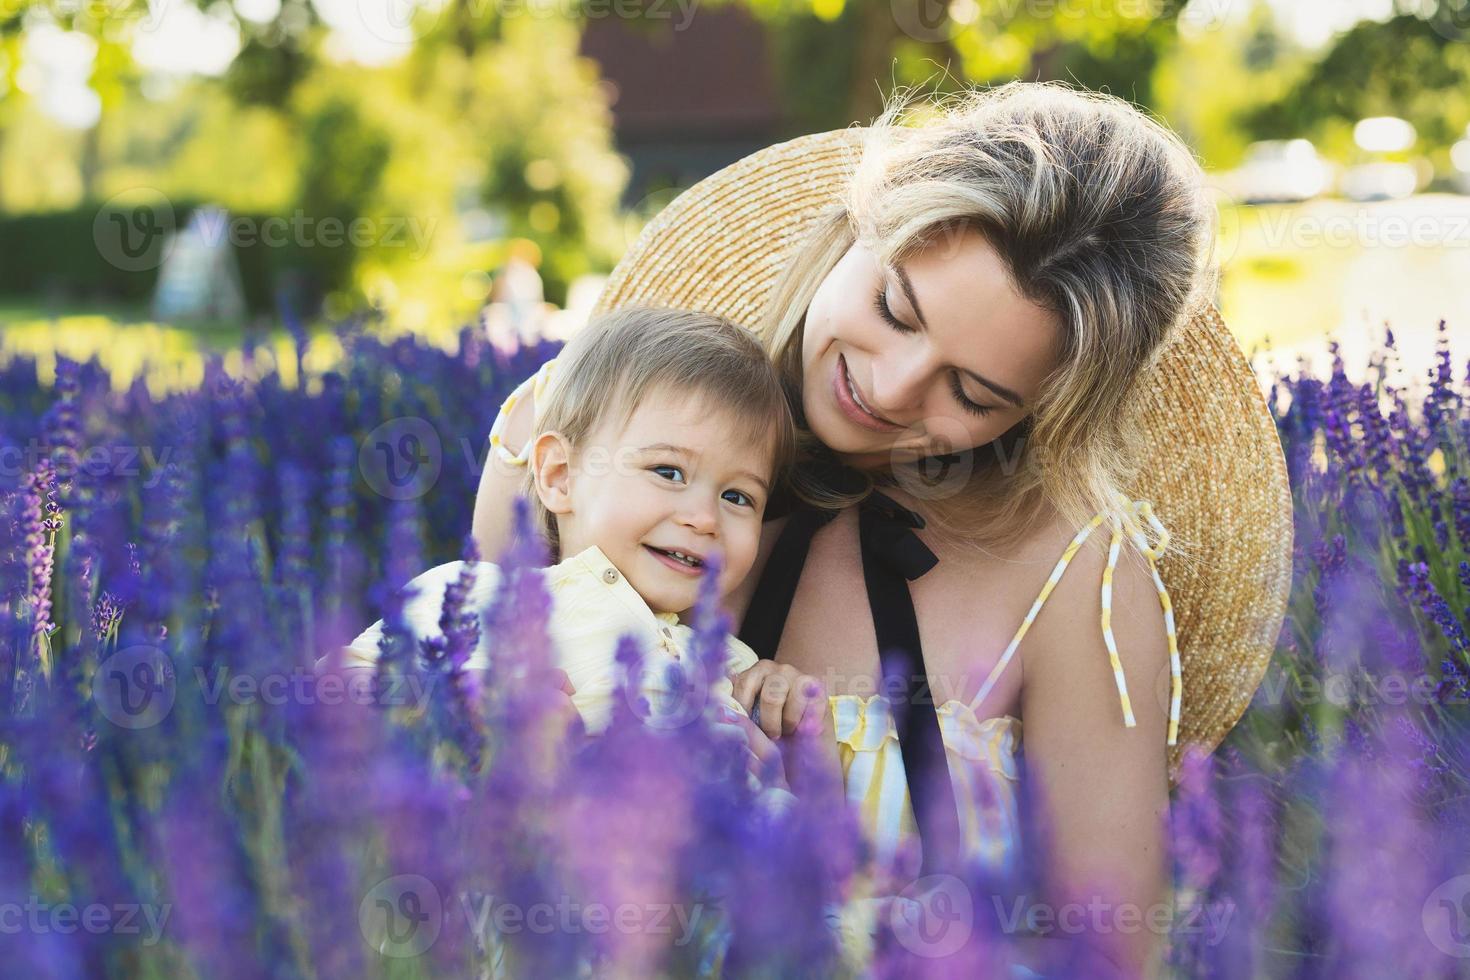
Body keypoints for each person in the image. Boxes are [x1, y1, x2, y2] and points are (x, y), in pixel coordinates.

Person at [468, 83, 1292, 978]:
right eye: (897, 309)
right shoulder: (567, 444)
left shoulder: (1072, 581)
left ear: (1042, 415)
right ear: (862, 223)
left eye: (973, 394)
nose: (893, 389)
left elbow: (1107, 951)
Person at [344, 307, 826, 755]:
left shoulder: (726, 661)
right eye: (668, 471)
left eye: (738, 497)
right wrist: (458, 701)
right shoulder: (485, 598)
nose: (704, 518)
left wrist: (778, 702)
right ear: (560, 476)